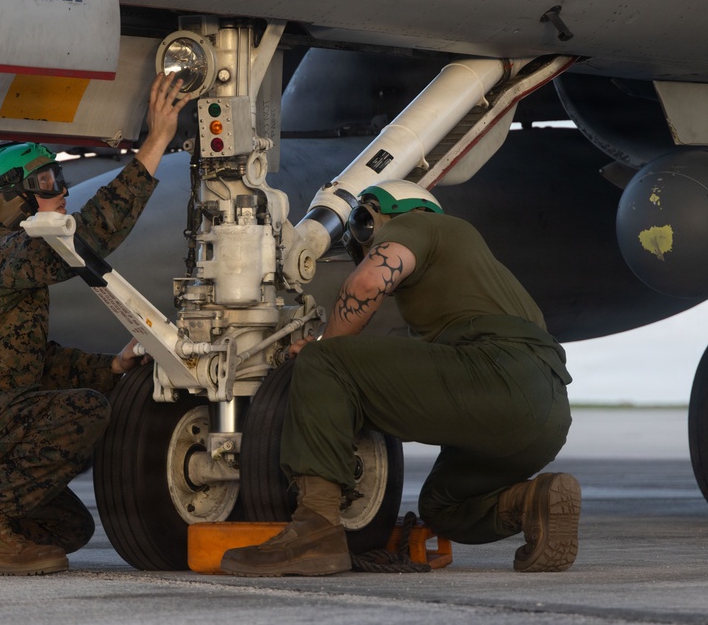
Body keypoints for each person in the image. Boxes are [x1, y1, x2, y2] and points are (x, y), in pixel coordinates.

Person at [0, 72, 192, 576]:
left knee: (69, 528)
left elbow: (34, 362)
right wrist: (156, 143)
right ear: (10, 201)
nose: (62, 194)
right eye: (47, 184)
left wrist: (110, 366)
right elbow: (88, 240)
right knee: (84, 411)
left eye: (58, 180)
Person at [221, 179, 579, 576]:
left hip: (497, 372)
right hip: (546, 414)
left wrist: (323, 350)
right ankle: (532, 499)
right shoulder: (473, 272)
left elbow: (368, 282)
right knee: (445, 509)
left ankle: (315, 532)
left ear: (372, 217)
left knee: (326, 361)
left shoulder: (417, 224)